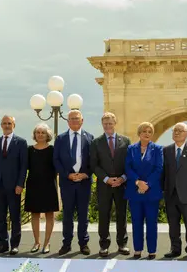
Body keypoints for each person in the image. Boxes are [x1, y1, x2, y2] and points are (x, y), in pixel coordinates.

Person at [53, 110, 94, 256]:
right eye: (72, 119)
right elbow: (56, 160)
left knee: (83, 214)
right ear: (68, 121)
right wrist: (67, 175)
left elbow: (93, 160)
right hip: (67, 182)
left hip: (84, 182)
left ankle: (83, 243)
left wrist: (86, 174)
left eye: (77, 118)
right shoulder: (60, 139)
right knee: (67, 214)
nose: (74, 121)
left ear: (82, 120)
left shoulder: (90, 138)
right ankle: (67, 243)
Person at [90, 112, 131, 257]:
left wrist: (123, 178)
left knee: (122, 214)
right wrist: (106, 178)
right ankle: (104, 245)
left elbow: (129, 163)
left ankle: (122, 244)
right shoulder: (96, 142)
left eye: (110, 123)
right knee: (104, 215)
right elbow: (94, 165)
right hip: (104, 184)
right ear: (102, 124)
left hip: (122, 184)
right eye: (105, 123)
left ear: (115, 123)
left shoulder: (126, 141)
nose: (107, 125)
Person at [0, 115, 28, 255]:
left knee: (15, 216)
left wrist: (20, 184)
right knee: (1, 218)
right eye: (4, 123)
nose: (7, 125)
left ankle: (14, 245)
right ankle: (2, 244)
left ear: (14, 125)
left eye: (9, 123)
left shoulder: (21, 143)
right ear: (1, 125)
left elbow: (23, 166)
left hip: (14, 186)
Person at [161, 122, 187, 260]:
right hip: (171, 194)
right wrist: (163, 190)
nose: (176, 133)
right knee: (173, 224)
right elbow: (163, 173)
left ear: (186, 134)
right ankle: (175, 249)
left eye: (180, 130)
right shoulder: (166, 150)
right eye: (174, 130)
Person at [125, 122, 164, 259]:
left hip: (151, 191)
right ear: (139, 133)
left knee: (151, 222)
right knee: (136, 222)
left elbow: (159, 168)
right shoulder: (131, 149)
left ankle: (152, 250)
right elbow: (128, 168)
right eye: (144, 131)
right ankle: (137, 249)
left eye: (149, 131)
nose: (147, 133)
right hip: (134, 192)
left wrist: (147, 184)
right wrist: (137, 182)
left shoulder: (158, 149)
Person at [24, 123, 59, 254]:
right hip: (33, 184)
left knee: (49, 214)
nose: (40, 135)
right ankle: (37, 242)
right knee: (35, 214)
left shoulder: (52, 150)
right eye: (38, 132)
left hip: (49, 184)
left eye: (43, 132)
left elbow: (56, 168)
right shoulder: (29, 150)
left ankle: (47, 242)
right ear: (34, 135)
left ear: (47, 135)